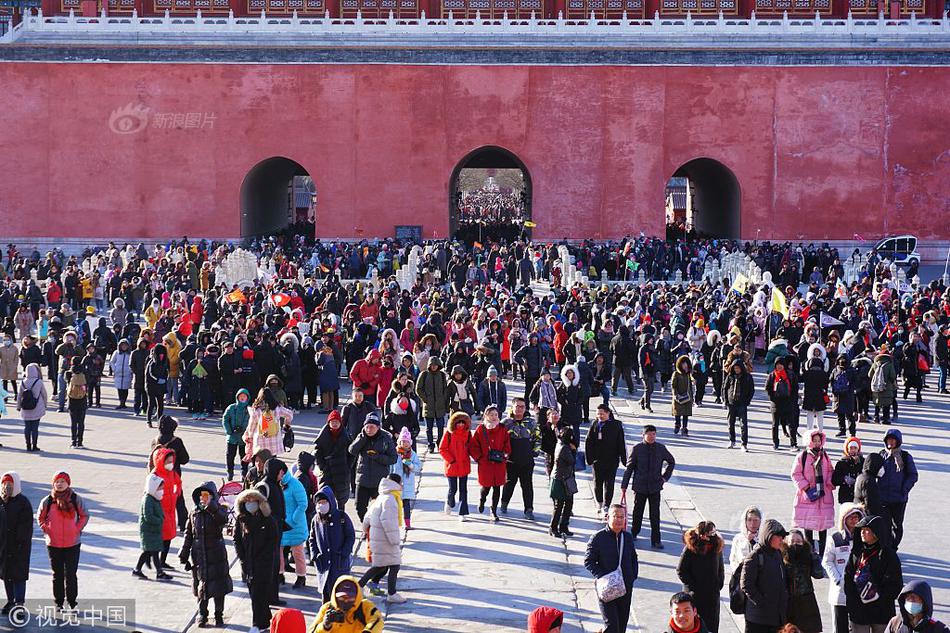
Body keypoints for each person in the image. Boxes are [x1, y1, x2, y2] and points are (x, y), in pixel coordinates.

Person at [179, 482, 233, 628]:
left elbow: (223, 520)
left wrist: (212, 506)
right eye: (201, 495)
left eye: (206, 495)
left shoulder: (218, 510)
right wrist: (184, 553)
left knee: (218, 587)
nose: (203, 498)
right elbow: (188, 533)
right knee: (201, 586)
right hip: (199, 556)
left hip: (216, 555)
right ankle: (202, 613)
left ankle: (218, 614)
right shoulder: (194, 512)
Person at [36, 472, 89, 612]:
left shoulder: (75, 499)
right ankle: (58, 602)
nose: (59, 484)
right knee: (57, 574)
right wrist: (47, 529)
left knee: (71, 574)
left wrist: (77, 529)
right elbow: (40, 517)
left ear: (68, 483)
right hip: (53, 544)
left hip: (73, 543)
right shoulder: (47, 501)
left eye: (62, 481)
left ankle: (72, 602)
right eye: (57, 481)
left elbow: (85, 515)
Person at [584, 504, 638, 633]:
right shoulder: (598, 538)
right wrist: (603, 577)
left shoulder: (627, 537)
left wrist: (632, 577)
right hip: (607, 588)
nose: (619, 520)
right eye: (616, 516)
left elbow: (633, 558)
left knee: (622, 625)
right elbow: (588, 561)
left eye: (622, 517)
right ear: (608, 518)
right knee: (612, 626)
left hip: (625, 588)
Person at [844, 515, 903, 633]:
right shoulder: (857, 553)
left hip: (881, 611)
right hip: (858, 610)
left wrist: (876, 597)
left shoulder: (888, 556)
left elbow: (895, 584)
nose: (862, 532)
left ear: (876, 533)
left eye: (866, 530)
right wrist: (853, 602)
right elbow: (848, 577)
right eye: (861, 530)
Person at [620, 424, 675, 549]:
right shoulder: (637, 449)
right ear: (643, 435)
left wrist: (665, 477)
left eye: (653, 434)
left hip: (655, 486)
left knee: (655, 514)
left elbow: (671, 462)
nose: (651, 437)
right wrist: (624, 484)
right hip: (640, 486)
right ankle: (633, 533)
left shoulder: (661, 448)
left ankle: (656, 540)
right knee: (637, 512)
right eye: (649, 434)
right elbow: (629, 468)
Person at [234, 487, 279, 633]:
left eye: (253, 500)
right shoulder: (241, 521)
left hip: (264, 564)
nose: (250, 503)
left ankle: (257, 624)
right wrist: (242, 558)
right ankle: (265, 620)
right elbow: (237, 540)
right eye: (247, 501)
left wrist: (264, 558)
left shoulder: (268, 520)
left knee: (259, 593)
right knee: (254, 594)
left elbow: (273, 541)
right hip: (248, 564)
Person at [359, 474, 406, 604]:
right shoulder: (391, 499)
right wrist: (395, 540)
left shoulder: (382, 497)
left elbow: (367, 518)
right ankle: (392, 593)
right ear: (396, 484)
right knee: (393, 565)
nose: (402, 485)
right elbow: (388, 522)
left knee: (380, 565)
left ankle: (360, 586)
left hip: (378, 537)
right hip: (385, 538)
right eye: (401, 482)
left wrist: (367, 532)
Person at [740, 518, 790, 633]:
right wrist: (762, 602)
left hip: (776, 617)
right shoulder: (755, 556)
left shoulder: (777, 554)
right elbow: (746, 584)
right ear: (769, 536)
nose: (782, 540)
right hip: (758, 619)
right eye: (779, 536)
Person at [822, 503, 866, 633]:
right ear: (843, 519)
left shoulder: (864, 538)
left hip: (859, 592)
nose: (854, 520)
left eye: (856, 517)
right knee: (840, 628)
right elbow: (827, 561)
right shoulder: (835, 539)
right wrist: (838, 580)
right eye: (850, 517)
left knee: (858, 627)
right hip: (839, 592)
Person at [791, 429, 836, 557]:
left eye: (818, 440)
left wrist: (829, 483)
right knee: (808, 526)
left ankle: (823, 553)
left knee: (823, 527)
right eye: (814, 440)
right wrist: (805, 487)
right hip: (808, 495)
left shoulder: (825, 455)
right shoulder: (802, 456)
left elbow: (830, 471)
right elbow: (796, 474)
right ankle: (809, 552)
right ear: (809, 441)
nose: (817, 443)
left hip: (823, 495)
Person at [308, 486, 355, 603]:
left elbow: (350, 536)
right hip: (323, 564)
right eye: (319, 502)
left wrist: (344, 553)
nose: (321, 505)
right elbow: (312, 539)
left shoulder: (342, 517)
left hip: (339, 564)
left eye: (324, 502)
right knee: (326, 597)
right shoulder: (316, 520)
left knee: (341, 597)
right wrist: (315, 555)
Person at [676, 521, 724, 633]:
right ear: (702, 535)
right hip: (695, 596)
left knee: (711, 626)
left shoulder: (717, 545)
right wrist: (693, 587)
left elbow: (720, 568)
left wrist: (719, 584)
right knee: (695, 626)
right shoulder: (691, 548)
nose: (713, 536)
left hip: (712, 596)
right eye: (710, 534)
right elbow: (681, 570)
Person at [348, 412, 397, 522]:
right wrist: (362, 439)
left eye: (372, 427)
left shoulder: (386, 438)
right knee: (359, 506)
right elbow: (351, 450)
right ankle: (367, 526)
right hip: (362, 478)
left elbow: (393, 458)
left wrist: (378, 457)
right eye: (367, 426)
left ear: (378, 427)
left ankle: (376, 527)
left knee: (380, 508)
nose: (369, 429)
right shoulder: (361, 436)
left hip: (379, 480)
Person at [469, 404, 511, 522]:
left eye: (496, 415)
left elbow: (507, 444)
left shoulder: (502, 428)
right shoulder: (480, 429)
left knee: (497, 488)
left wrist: (505, 455)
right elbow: (473, 446)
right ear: (486, 415)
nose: (493, 417)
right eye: (491, 414)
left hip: (498, 463)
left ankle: (493, 510)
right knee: (486, 487)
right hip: (485, 463)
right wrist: (479, 458)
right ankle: (482, 501)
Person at [877, 429, 917, 549]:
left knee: (897, 525)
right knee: (884, 524)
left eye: (893, 440)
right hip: (883, 498)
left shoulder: (905, 456)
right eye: (889, 439)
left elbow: (913, 475)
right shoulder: (881, 455)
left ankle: (893, 547)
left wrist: (904, 489)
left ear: (898, 441)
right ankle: (886, 546)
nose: (891, 442)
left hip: (899, 499)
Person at [150, 415, 191, 533]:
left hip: (157, 476)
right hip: (173, 476)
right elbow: (185, 459)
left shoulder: (155, 441)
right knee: (178, 499)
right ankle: (183, 524)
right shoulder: (177, 441)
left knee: (158, 499)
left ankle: (159, 523)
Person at [500, 398, 539, 520]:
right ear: (512, 407)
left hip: (527, 460)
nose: (520, 409)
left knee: (527, 485)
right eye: (517, 406)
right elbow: (499, 440)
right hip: (511, 461)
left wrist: (534, 452)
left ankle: (529, 509)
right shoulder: (506, 423)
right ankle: (504, 503)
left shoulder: (531, 422)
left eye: (522, 406)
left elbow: (538, 438)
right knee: (509, 484)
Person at [586, 403, 626, 516]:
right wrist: (589, 459)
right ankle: (599, 502)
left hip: (612, 460)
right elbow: (589, 442)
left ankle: (607, 505)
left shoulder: (617, 425)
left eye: (602, 414)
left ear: (608, 413)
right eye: (598, 414)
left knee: (610, 484)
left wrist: (623, 458)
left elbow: (621, 443)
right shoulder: (594, 424)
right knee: (597, 483)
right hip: (597, 460)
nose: (600, 416)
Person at [1, 472, 32, 615]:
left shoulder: (23, 502)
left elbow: (26, 525)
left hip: (19, 546)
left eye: (10, 484)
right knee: (6, 574)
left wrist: (20, 542)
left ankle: (19, 603)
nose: (7, 487)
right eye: (4, 484)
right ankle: (10, 600)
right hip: (3, 546)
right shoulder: (1, 501)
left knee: (18, 576)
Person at [311, 575, 384, 633]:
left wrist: (368, 631)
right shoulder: (327, 608)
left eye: (350, 598)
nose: (346, 601)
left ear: (357, 596)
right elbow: (312, 631)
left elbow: (377, 620)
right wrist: (325, 626)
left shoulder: (365, 606)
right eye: (342, 598)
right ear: (335, 596)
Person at [784, 529, 824, 633]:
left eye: (798, 540)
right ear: (787, 542)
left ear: (803, 542)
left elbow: (819, 574)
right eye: (792, 541)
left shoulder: (808, 556)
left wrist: (815, 557)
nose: (795, 543)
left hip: (807, 602)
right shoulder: (781, 557)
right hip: (788, 603)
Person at [133, 473, 171, 581]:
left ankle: (159, 572)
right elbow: (148, 516)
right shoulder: (148, 499)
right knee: (148, 551)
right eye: (160, 488)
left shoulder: (154, 498)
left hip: (154, 531)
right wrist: (159, 520)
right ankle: (137, 569)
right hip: (149, 531)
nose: (162, 491)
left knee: (154, 551)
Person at [313, 410, 354, 510]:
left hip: (341, 471)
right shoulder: (323, 435)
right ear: (329, 423)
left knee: (341, 499)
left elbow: (352, 453)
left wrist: (347, 466)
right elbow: (317, 452)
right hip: (327, 471)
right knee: (326, 497)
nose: (335, 424)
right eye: (332, 422)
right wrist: (322, 466)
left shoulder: (346, 436)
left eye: (337, 422)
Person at [151, 447, 183, 569]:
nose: (170, 464)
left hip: (170, 510)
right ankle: (156, 562)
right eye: (168, 461)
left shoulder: (171, 473)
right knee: (158, 538)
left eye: (171, 461)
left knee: (168, 537)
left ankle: (162, 561)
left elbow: (178, 482)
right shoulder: (155, 475)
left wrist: (176, 494)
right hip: (159, 510)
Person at [279, 465, 309, 590]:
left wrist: (292, 520)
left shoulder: (295, 484)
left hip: (295, 525)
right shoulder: (276, 484)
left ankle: (301, 577)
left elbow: (303, 504)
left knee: (298, 553)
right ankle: (279, 575)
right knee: (278, 552)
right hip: (281, 525)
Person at [439, 411, 472, 521]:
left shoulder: (468, 434)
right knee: (453, 489)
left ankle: (462, 512)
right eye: (459, 422)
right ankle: (449, 502)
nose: (461, 425)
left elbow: (472, 447)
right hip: (452, 466)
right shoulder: (448, 433)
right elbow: (442, 449)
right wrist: (451, 460)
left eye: (463, 422)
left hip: (464, 465)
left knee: (463, 490)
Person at [244, 387, 294, 459]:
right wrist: (286, 424)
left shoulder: (257, 410)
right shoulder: (277, 408)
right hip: (274, 441)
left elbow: (251, 426)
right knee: (272, 464)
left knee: (261, 463)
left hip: (260, 442)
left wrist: (250, 436)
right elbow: (290, 414)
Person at [416, 355, 449, 451]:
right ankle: (430, 444)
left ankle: (440, 443)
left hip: (440, 406)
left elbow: (445, 390)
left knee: (440, 427)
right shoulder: (424, 374)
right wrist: (425, 399)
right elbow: (418, 389)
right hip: (428, 406)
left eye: (435, 365)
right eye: (432, 365)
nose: (434, 367)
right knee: (428, 428)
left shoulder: (442, 375)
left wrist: (444, 400)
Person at [549, 427, 578, 538]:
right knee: (560, 505)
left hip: (562, 477)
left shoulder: (559, 444)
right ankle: (554, 527)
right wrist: (574, 450)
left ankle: (562, 527)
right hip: (561, 479)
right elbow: (572, 461)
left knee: (566, 504)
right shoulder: (565, 448)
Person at [722, 357, 755, 451]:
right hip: (731, 403)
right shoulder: (730, 376)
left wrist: (748, 401)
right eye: (735, 368)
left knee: (743, 424)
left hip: (742, 403)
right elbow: (725, 388)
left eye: (738, 368)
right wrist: (725, 400)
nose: (736, 370)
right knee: (730, 423)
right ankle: (732, 440)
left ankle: (744, 444)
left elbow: (751, 390)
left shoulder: (748, 377)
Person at [391, 427, 420, 529]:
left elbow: (418, 467)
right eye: (403, 441)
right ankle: (395, 523)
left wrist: (410, 465)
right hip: (396, 483)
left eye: (407, 441)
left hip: (407, 484)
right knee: (395, 505)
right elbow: (390, 465)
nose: (405, 444)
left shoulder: (412, 454)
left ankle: (407, 523)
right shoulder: (395, 453)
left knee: (406, 505)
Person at [767, 357, 799, 450]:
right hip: (776, 404)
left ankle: (793, 444)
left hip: (788, 403)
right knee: (775, 424)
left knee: (791, 424)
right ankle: (775, 443)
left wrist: (792, 400)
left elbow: (795, 388)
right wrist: (772, 398)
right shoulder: (772, 375)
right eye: (777, 364)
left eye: (781, 364)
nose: (779, 366)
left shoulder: (790, 375)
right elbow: (767, 388)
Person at [15, 362, 47, 452]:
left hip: (25, 408)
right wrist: (45, 405)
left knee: (27, 428)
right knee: (35, 428)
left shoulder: (23, 382)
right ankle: (35, 445)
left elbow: (19, 395)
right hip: (36, 407)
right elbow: (44, 395)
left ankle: (28, 445)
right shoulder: (39, 382)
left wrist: (18, 406)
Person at [223, 388, 251, 481]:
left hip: (244, 437)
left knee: (244, 456)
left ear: (247, 398)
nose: (242, 398)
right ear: (237, 397)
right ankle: (230, 471)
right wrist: (229, 430)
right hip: (232, 436)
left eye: (244, 397)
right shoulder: (231, 407)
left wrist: (246, 431)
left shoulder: (249, 410)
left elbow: (252, 422)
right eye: (241, 396)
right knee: (230, 455)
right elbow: (225, 419)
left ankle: (244, 472)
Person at [868, 347, 897, 425]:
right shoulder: (889, 364)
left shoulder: (875, 364)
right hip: (887, 387)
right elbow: (892, 376)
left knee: (877, 403)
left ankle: (876, 417)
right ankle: (885, 418)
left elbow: (869, 374)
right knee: (886, 404)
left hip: (876, 387)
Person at [830, 356, 857, 438]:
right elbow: (855, 382)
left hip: (838, 395)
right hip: (848, 395)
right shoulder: (851, 370)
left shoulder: (836, 370)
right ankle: (852, 432)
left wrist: (834, 390)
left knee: (840, 414)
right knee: (849, 415)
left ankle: (842, 430)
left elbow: (831, 379)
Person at [853, 452, 886, 519]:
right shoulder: (868, 481)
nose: (882, 469)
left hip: (860, 514)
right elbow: (870, 504)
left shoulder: (862, 477)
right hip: (867, 517)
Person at [832, 437, 864, 504]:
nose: (853, 450)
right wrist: (844, 479)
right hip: (845, 497)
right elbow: (834, 480)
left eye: (855, 448)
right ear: (847, 449)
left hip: (859, 497)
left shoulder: (862, 462)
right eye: (851, 448)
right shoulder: (841, 463)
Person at [729, 505, 761, 570]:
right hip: (741, 576)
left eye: (756, 520)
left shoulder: (764, 538)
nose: (752, 523)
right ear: (745, 521)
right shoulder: (738, 538)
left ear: (760, 521)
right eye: (749, 520)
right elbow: (733, 559)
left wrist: (752, 541)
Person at [65, 356, 88, 448]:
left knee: (73, 422)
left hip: (72, 399)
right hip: (82, 400)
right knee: (81, 422)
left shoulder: (68, 373)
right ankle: (80, 442)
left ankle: (73, 442)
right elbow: (87, 385)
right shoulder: (85, 372)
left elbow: (67, 383)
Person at [670, 356, 695, 436]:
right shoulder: (676, 374)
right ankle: (677, 424)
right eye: (683, 364)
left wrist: (692, 397)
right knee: (678, 413)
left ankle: (684, 428)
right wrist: (675, 395)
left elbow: (691, 386)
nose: (685, 365)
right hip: (678, 396)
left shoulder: (689, 374)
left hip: (687, 397)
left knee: (686, 414)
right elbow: (673, 385)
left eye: (686, 363)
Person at [110, 338, 133, 410]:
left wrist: (130, 370)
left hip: (127, 373)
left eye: (125, 345)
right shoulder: (116, 353)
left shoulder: (130, 354)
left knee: (125, 389)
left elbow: (132, 363)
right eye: (122, 345)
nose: (124, 347)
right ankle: (121, 402)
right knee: (119, 389)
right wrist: (115, 369)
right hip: (118, 373)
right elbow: (112, 362)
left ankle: (124, 402)